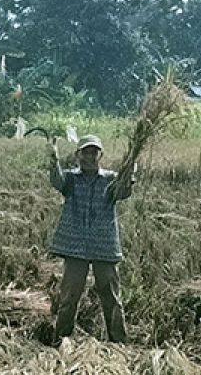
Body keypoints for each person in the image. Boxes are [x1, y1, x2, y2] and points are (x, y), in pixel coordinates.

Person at [47, 135, 135, 343]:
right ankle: (61, 340)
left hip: (103, 247)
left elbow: (123, 192)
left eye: (94, 152)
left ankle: (119, 343)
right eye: (85, 152)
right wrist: (53, 157)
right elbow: (56, 180)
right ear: (78, 155)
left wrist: (131, 167)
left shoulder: (110, 179)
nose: (90, 157)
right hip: (75, 247)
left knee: (111, 298)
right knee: (69, 296)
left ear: (100, 155)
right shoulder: (70, 179)